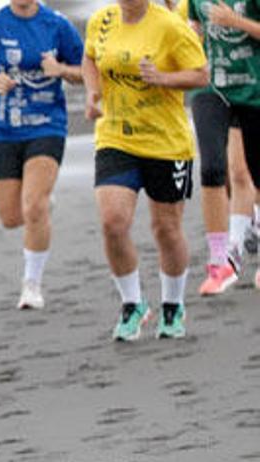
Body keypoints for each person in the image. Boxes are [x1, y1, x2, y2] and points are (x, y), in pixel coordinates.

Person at [82, 0, 207, 340]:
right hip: (115, 137)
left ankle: (173, 304)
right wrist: (93, 91)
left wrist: (163, 78)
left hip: (166, 142)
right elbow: (90, 57)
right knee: (112, 222)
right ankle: (132, 303)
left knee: (166, 228)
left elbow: (200, 73)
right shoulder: (101, 21)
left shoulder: (169, 25)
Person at [0, 0, 84, 309]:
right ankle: (39, 203)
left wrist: (62, 70)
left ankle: (32, 285)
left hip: (46, 127)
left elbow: (88, 71)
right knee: (11, 217)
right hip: (1, 130)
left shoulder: (57, 25)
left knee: (34, 207)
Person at [179, 0, 260, 293]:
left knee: (249, 173)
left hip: (254, 88)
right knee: (213, 168)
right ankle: (220, 261)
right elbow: (195, 30)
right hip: (211, 87)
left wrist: (236, 21)